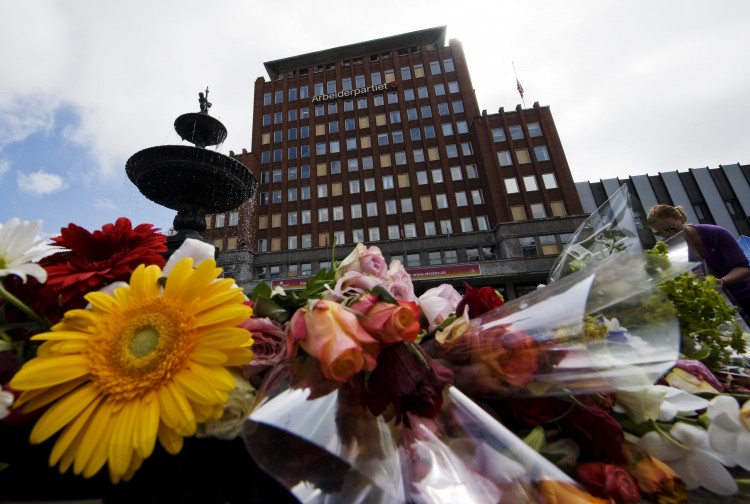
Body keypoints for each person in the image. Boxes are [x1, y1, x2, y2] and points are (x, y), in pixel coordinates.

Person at [647, 204, 750, 318]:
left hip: (744, 295)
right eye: (659, 233)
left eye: (670, 228)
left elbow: (743, 268)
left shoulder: (715, 233)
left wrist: (722, 281)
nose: (666, 235)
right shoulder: (663, 250)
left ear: (682, 219)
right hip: (711, 309)